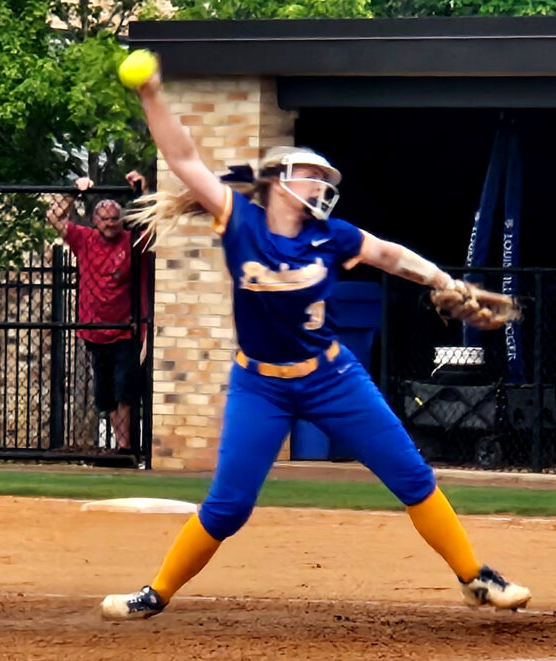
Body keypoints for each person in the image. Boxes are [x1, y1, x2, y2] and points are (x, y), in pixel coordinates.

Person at [100, 65, 531, 619]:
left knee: (412, 476)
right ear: (279, 181)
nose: (323, 186)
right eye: (311, 176)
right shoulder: (240, 221)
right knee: (229, 507)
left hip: (331, 377)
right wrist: (152, 93)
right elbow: (184, 159)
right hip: (260, 385)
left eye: (325, 178)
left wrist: (444, 281)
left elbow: (390, 255)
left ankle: (476, 579)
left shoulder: (332, 235)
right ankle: (155, 593)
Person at [47, 171, 149, 452]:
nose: (110, 224)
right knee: (105, 395)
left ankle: (126, 447)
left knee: (125, 390)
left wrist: (141, 192)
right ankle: (122, 444)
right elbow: (54, 218)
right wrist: (73, 192)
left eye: (115, 218)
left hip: (125, 328)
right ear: (94, 221)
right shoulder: (85, 240)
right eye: (104, 219)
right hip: (94, 329)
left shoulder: (131, 241)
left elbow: (153, 224)